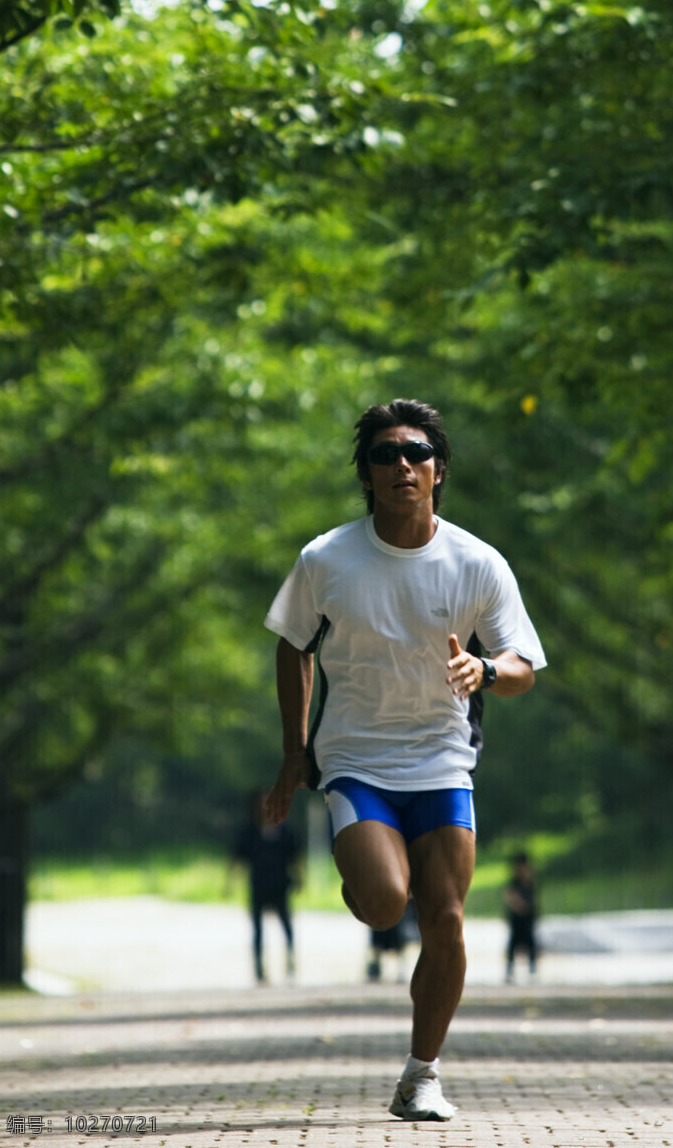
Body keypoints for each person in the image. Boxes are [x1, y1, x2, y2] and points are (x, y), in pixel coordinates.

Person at [263, 398, 546, 1122]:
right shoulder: (327, 558)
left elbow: (523, 666)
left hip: (444, 763)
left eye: (416, 452)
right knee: (388, 902)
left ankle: (422, 1074)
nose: (403, 466)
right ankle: (365, 874)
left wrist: (485, 671)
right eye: (385, 455)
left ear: (439, 469)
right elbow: (292, 644)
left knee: (446, 917)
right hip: (356, 761)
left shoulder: (476, 562)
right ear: (366, 473)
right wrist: (295, 755)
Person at [231, 791, 301, 983]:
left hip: (280, 884)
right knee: (257, 929)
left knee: (287, 926)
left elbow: (294, 857)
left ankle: (290, 962)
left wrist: (299, 878)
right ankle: (259, 967)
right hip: (258, 885)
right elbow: (237, 857)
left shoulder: (285, 830)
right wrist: (229, 882)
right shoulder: (249, 831)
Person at [503, 851, 539, 983]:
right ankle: (510, 971)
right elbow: (509, 896)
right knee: (513, 946)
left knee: (531, 945)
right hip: (517, 920)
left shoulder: (530, 883)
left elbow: (533, 901)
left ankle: (532, 970)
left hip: (528, 920)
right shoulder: (514, 882)